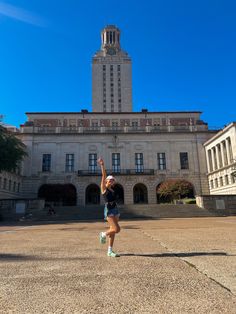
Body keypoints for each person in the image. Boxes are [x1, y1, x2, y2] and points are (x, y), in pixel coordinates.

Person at [97, 157, 121, 257]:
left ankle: (110, 251)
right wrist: (102, 165)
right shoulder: (104, 188)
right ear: (106, 181)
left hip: (115, 209)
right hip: (109, 210)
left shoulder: (113, 190)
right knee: (117, 229)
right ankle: (103, 234)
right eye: (109, 180)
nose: (111, 181)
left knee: (113, 231)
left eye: (112, 180)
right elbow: (103, 175)